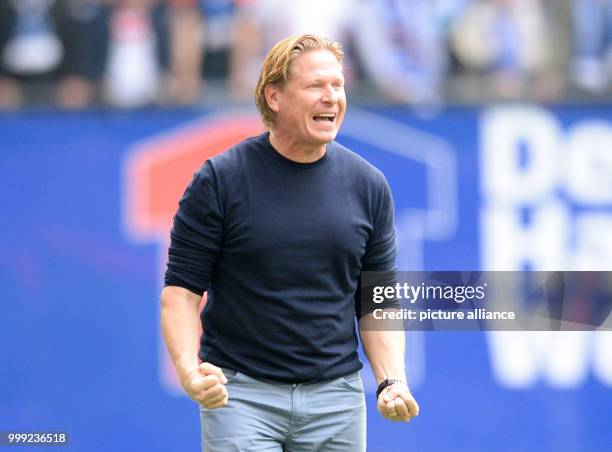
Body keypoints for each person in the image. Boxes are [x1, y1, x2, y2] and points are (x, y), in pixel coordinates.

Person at [161, 33, 419, 451]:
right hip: (240, 395)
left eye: (338, 86)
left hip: (336, 401)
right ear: (274, 97)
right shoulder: (220, 180)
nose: (331, 97)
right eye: (316, 86)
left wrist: (391, 379)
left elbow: (378, 303)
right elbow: (181, 293)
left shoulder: (369, 186)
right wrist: (191, 373)